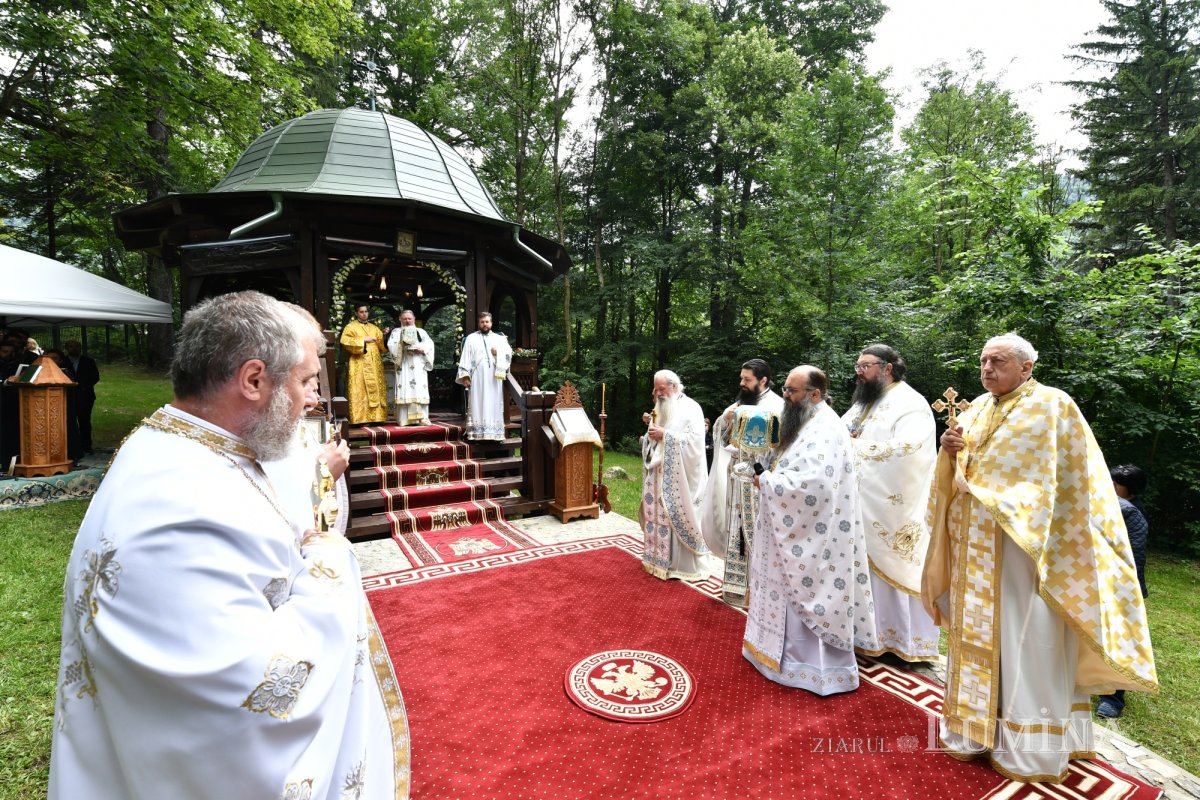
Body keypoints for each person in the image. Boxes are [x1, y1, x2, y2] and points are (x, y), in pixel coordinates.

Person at [50, 291, 410, 800]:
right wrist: (331, 558)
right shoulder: (183, 501)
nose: (314, 399)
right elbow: (253, 690)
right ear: (254, 380)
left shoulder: (181, 448)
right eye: (306, 381)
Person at [923, 332, 1157, 783]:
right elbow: (958, 476)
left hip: (1024, 551)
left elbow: (1061, 483)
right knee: (984, 640)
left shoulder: (1053, 405)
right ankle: (976, 731)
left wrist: (997, 500)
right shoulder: (976, 408)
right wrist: (949, 455)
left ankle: (1028, 746)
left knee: (1025, 639)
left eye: (998, 361)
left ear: (1027, 367)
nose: (987, 369)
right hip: (977, 549)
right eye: (983, 361)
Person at [743, 366, 878, 695]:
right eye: (786, 389)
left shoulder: (826, 428)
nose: (785, 397)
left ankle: (805, 667)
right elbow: (789, 461)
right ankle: (771, 653)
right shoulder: (806, 420)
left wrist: (768, 482)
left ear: (814, 395)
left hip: (811, 535)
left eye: (792, 391)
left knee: (803, 594)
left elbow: (813, 487)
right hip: (788, 527)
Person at [840, 344, 939, 662]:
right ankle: (861, 634)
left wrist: (856, 449)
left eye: (865, 366)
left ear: (887, 367)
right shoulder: (861, 405)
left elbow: (910, 449)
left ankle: (898, 641)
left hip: (891, 505)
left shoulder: (910, 403)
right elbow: (840, 435)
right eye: (857, 366)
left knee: (891, 568)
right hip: (857, 501)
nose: (859, 373)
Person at [700, 358, 784, 607]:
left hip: (759, 484)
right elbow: (721, 432)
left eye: (747, 380)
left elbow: (779, 448)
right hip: (736, 482)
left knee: (756, 535)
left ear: (763, 380)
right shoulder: (742, 402)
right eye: (741, 379)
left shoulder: (777, 406)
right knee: (734, 530)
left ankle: (756, 592)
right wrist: (725, 419)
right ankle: (734, 587)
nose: (742, 383)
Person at [639, 369, 712, 580]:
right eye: (656, 389)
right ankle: (656, 559)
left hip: (678, 477)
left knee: (673, 516)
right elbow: (652, 438)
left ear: (674, 386)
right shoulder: (660, 407)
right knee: (657, 516)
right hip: (657, 475)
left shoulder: (691, 408)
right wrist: (650, 433)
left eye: (662, 389)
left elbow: (696, 442)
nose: (658, 393)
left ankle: (677, 565)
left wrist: (666, 436)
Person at [1096, 463, 1151, 719]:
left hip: (1119, 586)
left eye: (1115, 484)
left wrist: (1125, 589)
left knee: (1117, 638)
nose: (1109, 486)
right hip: (1097, 579)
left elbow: (1132, 557)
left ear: (1130, 492)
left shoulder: (1130, 513)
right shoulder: (1104, 503)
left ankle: (1113, 698)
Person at [455, 311, 512, 441]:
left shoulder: (500, 339)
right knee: (477, 402)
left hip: (494, 377)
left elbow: (509, 355)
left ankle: (494, 434)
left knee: (494, 402)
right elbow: (465, 357)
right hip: (477, 378)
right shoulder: (471, 338)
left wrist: (498, 353)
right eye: (482, 322)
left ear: (491, 323)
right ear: (479, 323)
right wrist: (465, 376)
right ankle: (477, 434)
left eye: (487, 322)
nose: (485, 324)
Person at [340, 303, 390, 424]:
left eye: (366, 312)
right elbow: (344, 341)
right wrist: (362, 340)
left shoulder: (374, 328)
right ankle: (361, 418)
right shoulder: (350, 327)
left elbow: (382, 347)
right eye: (361, 312)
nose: (364, 314)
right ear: (356, 313)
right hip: (359, 362)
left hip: (374, 363)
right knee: (360, 389)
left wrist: (386, 335)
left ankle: (377, 417)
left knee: (376, 387)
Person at [386, 309, 436, 426]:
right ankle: (404, 419)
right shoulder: (396, 332)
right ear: (400, 320)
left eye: (409, 319)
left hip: (418, 364)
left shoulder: (421, 332)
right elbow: (391, 345)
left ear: (413, 319)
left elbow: (430, 345)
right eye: (404, 319)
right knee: (405, 389)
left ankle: (422, 418)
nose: (407, 321)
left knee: (419, 389)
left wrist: (422, 349)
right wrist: (401, 345)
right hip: (404, 365)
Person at [65, 340, 100, 454]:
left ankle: (86, 445)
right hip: (68, 395)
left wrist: (84, 386)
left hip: (85, 395)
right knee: (69, 421)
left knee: (84, 421)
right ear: (67, 348)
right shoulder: (62, 362)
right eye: (71, 346)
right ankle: (71, 446)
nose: (74, 348)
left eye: (77, 346)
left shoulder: (88, 361)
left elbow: (95, 376)